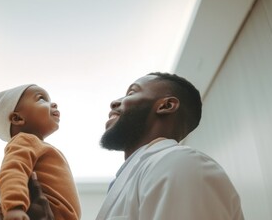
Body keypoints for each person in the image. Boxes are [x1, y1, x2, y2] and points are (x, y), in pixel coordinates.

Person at [96, 72, 244, 219]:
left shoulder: (181, 162)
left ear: (166, 105)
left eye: (132, 92)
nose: (114, 102)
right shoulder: (140, 173)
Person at [0, 84, 81, 220]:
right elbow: (12, 170)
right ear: (17, 118)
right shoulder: (24, 140)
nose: (53, 104)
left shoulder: (39, 145)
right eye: (42, 99)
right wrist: (14, 207)